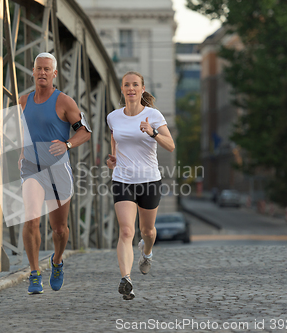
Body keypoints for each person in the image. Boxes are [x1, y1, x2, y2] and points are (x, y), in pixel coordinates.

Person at [18, 53, 91, 294]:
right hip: (31, 169)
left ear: (54, 73)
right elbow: (20, 131)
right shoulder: (23, 101)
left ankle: (57, 261)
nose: (42, 72)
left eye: (47, 69)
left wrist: (68, 144)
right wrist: (20, 152)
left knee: (59, 229)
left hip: (57, 170)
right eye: (38, 68)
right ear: (33, 71)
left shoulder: (64, 102)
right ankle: (34, 273)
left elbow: (85, 131)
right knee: (31, 219)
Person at [106, 71, 175, 300]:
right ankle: (126, 280)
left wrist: (152, 132)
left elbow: (171, 146)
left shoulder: (153, 115)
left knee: (148, 231)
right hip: (123, 179)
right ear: (123, 89)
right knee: (126, 230)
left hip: (149, 180)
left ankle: (147, 253)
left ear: (142, 89)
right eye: (127, 85)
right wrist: (113, 158)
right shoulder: (113, 117)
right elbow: (115, 137)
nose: (131, 88)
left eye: (135, 85)